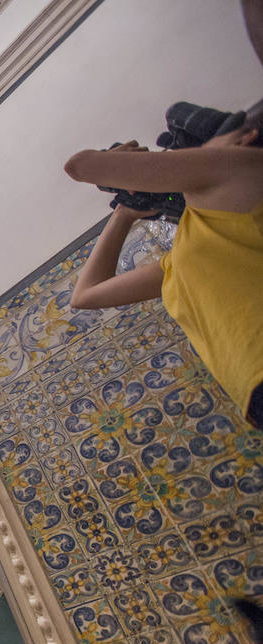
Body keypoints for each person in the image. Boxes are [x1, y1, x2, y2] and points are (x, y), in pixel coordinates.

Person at [63, 109, 263, 426]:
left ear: (245, 137)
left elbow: (80, 166)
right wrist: (125, 214)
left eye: (203, 148)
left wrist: (121, 158)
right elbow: (86, 295)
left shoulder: (245, 166)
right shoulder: (192, 247)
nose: (189, 156)